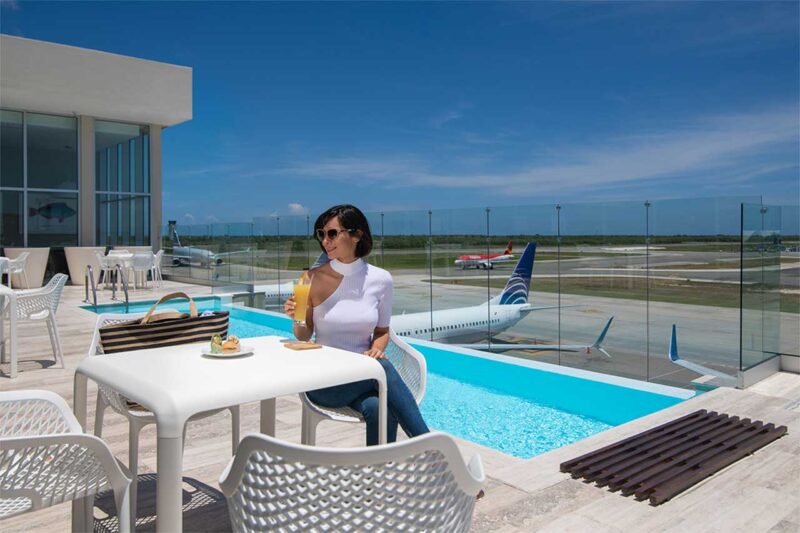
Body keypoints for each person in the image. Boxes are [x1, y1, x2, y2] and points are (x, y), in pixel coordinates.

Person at [284, 204, 430, 446]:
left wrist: (377, 348)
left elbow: (382, 331)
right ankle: (435, 451)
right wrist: (298, 315)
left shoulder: (381, 279)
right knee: (382, 370)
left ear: (357, 234)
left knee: (379, 406)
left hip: (364, 375)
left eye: (332, 233)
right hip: (324, 380)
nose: (325, 241)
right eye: (321, 234)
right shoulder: (308, 278)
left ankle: (376, 477)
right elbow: (302, 335)